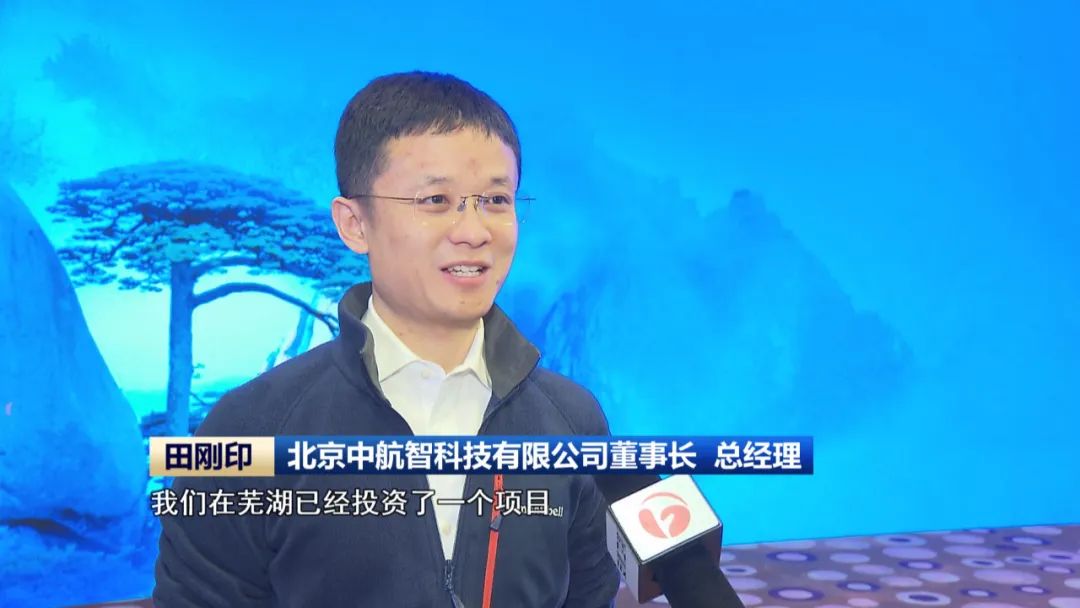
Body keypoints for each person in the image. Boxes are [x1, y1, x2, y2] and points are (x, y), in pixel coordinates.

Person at [153, 71, 621, 607]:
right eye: (436, 200)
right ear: (354, 224)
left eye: (496, 199)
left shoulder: (572, 421)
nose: (474, 232)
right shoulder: (250, 430)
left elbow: (593, 594)